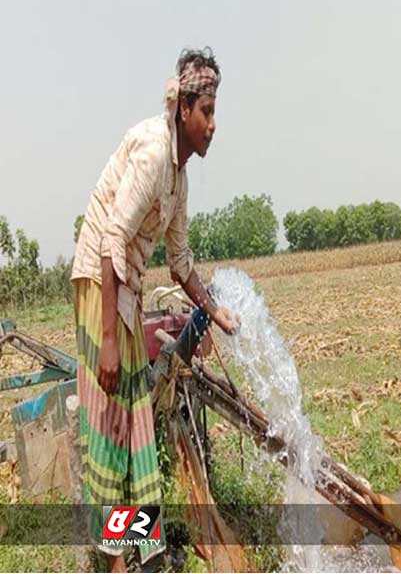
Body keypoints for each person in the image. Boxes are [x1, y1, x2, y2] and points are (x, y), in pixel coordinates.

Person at [71, 47, 240, 572]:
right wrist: (105, 339)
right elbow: (110, 240)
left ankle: (135, 551)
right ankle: (114, 559)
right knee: (111, 425)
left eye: (216, 113)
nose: (213, 125)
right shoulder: (151, 152)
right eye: (207, 112)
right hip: (99, 283)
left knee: (136, 428)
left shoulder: (179, 179)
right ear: (184, 109)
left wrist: (216, 312)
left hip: (125, 289)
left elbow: (181, 263)